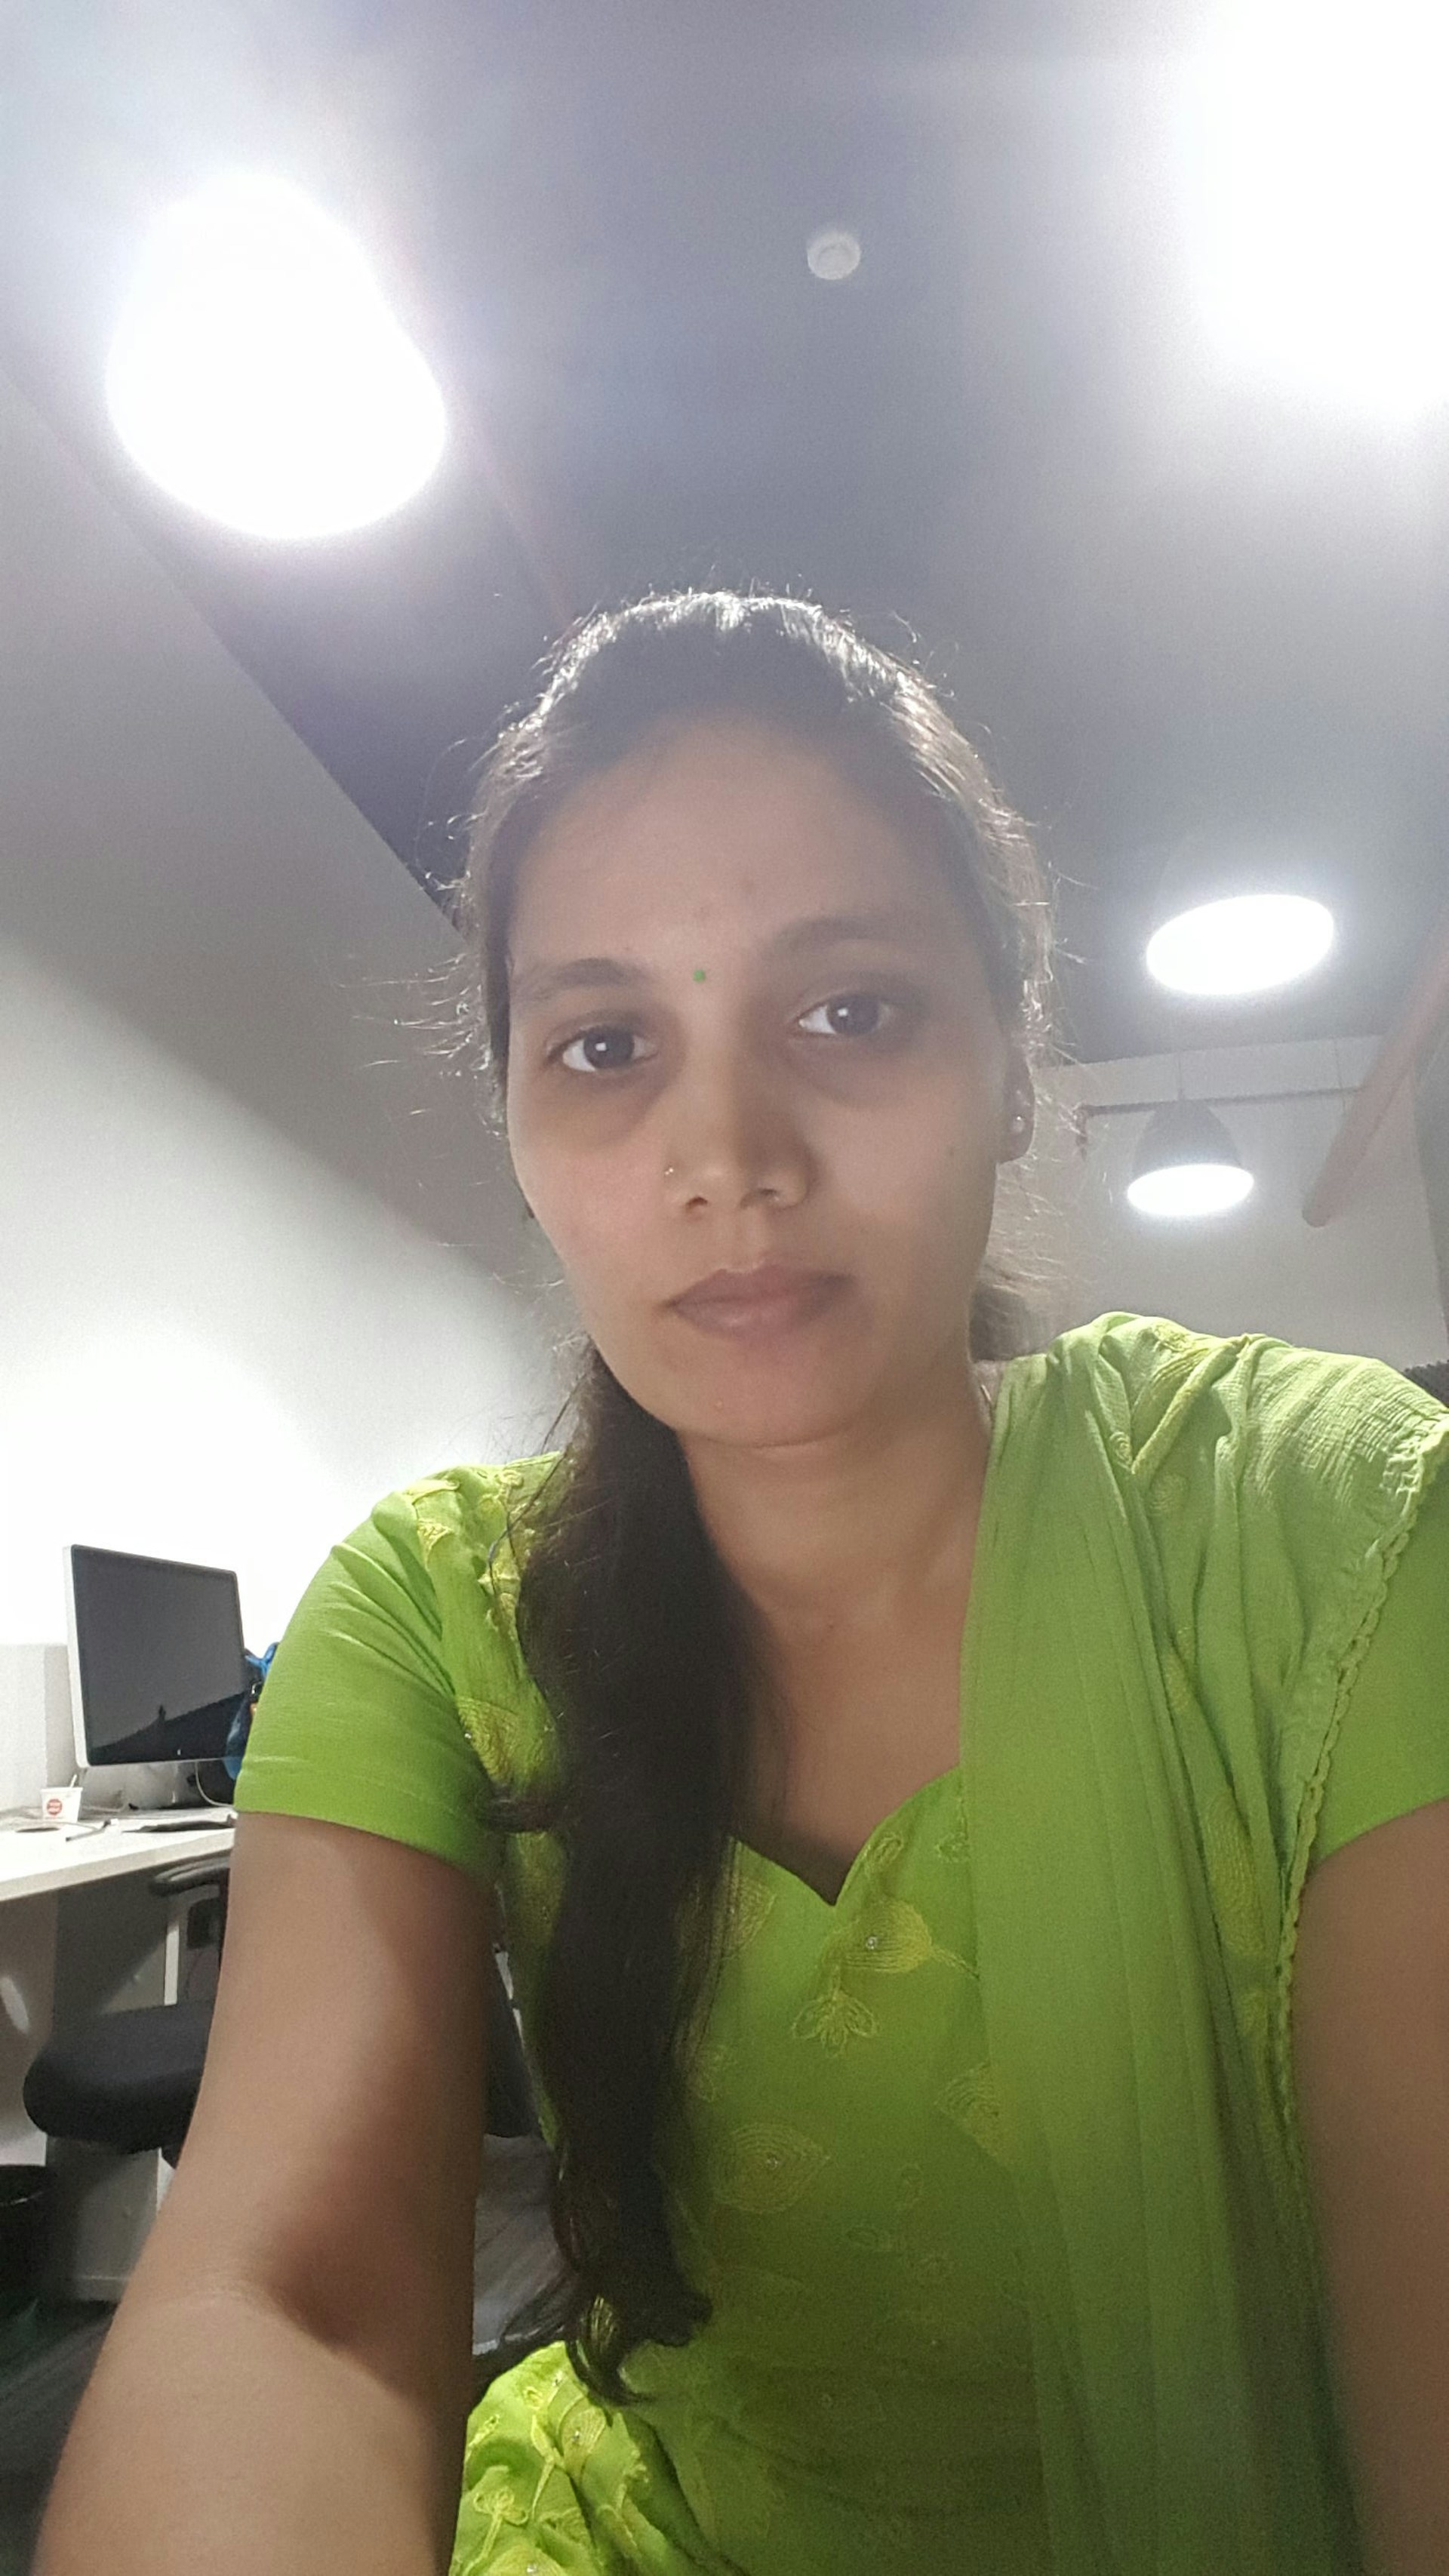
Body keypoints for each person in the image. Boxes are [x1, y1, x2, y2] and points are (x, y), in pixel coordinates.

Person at [34, 592, 1449, 2576]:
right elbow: (299, 2296)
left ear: (1018, 1064)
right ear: (522, 1127)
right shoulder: (438, 1621)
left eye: (851, 1010)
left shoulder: (1328, 1531)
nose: (729, 1152)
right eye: (608, 1043)